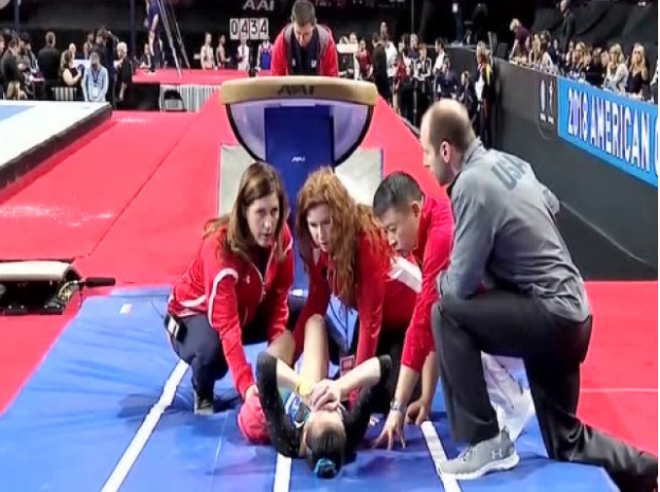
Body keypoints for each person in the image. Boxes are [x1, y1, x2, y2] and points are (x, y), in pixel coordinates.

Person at [421, 99, 658, 491]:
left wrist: (442, 280)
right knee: (565, 440)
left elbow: (459, 285)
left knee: (446, 311)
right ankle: (649, 472)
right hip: (574, 316)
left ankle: (486, 441)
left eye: (427, 153)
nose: (425, 163)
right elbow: (552, 205)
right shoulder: (512, 163)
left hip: (549, 316)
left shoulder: (469, 184)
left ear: (446, 150)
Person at [371, 171, 535, 451]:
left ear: (415, 210)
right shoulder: (428, 227)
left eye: (392, 229)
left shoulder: (441, 236)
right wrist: (426, 397)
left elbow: (423, 323)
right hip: (513, 311)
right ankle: (504, 396)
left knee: (451, 319)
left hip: (531, 320)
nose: (389, 240)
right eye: (385, 231)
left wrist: (397, 407)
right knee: (444, 315)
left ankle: (512, 400)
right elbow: (431, 321)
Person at [165, 162, 297, 415]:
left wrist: (275, 359)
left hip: (247, 309)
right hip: (192, 317)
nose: (269, 224)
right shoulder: (219, 251)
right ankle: (203, 391)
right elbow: (227, 327)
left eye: (274, 211)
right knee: (212, 353)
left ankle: (343, 380)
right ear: (244, 211)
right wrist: (246, 387)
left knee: (308, 317)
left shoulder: (282, 238)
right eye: (260, 213)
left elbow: (279, 300)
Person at [293, 168, 421, 409]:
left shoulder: (367, 240)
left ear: (340, 216)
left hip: (408, 323)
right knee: (348, 384)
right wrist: (287, 365)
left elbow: (371, 321)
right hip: (376, 323)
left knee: (383, 395)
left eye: (327, 222)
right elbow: (315, 305)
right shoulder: (317, 248)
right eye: (313, 225)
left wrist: (354, 400)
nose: (321, 234)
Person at [255, 313, 392, 478]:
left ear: (306, 435)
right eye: (334, 409)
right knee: (316, 321)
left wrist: (305, 390)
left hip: (288, 385)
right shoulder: (352, 433)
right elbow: (385, 365)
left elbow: (264, 365)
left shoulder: (288, 440)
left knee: (309, 327)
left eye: (321, 407)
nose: (325, 400)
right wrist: (339, 387)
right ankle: (340, 351)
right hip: (329, 381)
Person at [270, 0, 338, 77]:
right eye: (298, 33)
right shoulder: (282, 41)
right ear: (292, 23)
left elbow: (332, 79)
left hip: (319, 85)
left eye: (306, 34)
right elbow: (276, 78)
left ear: (314, 25)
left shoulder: (326, 42)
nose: (301, 39)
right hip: (290, 85)